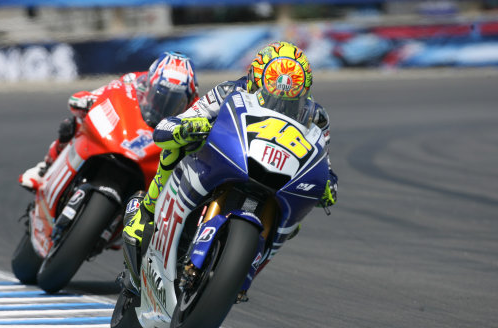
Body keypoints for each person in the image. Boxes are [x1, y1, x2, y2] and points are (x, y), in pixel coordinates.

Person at [122, 41, 338, 300]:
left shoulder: (317, 117)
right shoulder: (230, 89)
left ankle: (247, 268)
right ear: (256, 79)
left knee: (295, 224)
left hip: (277, 171)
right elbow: (190, 116)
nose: (280, 101)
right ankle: (147, 210)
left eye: (290, 97)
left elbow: (323, 159)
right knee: (177, 146)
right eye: (271, 91)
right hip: (224, 156)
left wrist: (328, 182)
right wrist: (186, 126)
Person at [19, 51, 199, 191]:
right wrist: (89, 99)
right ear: (150, 84)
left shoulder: (197, 107)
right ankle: (46, 167)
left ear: (189, 100)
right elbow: (108, 92)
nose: (165, 104)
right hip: (129, 131)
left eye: (176, 101)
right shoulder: (134, 80)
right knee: (71, 125)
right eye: (160, 96)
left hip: (160, 148)